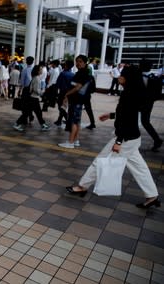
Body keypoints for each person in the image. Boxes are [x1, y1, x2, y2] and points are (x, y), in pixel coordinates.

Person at [66, 65, 160, 209]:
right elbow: (128, 115)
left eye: (122, 74)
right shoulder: (133, 92)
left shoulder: (130, 94)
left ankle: (82, 186)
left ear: (129, 78)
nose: (119, 77)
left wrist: (118, 141)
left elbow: (127, 120)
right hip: (133, 138)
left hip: (126, 139)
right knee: (140, 168)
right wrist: (111, 115)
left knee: (100, 161)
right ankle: (152, 195)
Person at [58, 55, 93, 149]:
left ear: (85, 63)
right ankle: (76, 140)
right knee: (77, 121)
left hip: (76, 100)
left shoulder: (82, 73)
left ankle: (70, 142)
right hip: (79, 100)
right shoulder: (83, 72)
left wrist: (67, 94)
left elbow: (78, 87)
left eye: (80, 61)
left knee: (73, 121)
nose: (78, 63)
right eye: (77, 61)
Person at [13, 65, 50, 132]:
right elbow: (36, 90)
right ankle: (43, 125)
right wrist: (42, 92)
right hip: (34, 98)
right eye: (40, 69)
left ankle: (43, 124)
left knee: (31, 113)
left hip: (32, 98)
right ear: (38, 71)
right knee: (34, 113)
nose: (42, 70)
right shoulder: (37, 79)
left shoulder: (35, 77)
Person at [139, 60, 163, 152]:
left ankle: (157, 139)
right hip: (149, 103)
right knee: (145, 122)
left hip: (138, 102)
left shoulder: (137, 77)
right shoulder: (155, 77)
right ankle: (157, 139)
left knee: (142, 121)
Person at [54, 60, 74, 126]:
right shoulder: (73, 74)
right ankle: (60, 120)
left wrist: (56, 92)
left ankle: (67, 120)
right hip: (69, 93)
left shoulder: (63, 73)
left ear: (66, 65)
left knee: (60, 107)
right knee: (63, 107)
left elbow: (58, 84)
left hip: (62, 92)